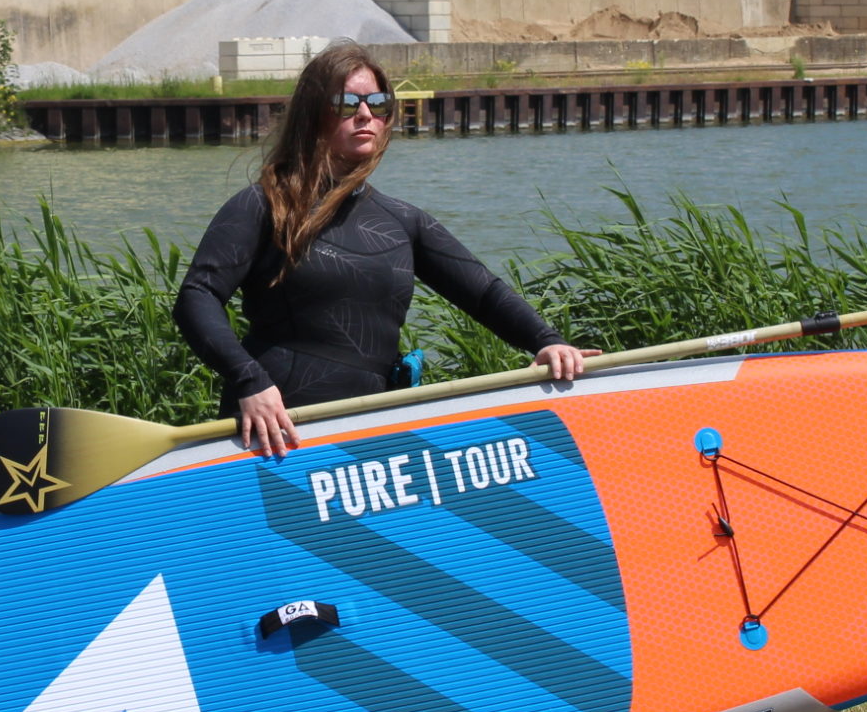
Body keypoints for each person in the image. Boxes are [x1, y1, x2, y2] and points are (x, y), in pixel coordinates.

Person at [173, 43, 592, 457]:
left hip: (373, 434)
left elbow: (482, 292)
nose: (364, 114)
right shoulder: (264, 206)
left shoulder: (401, 221)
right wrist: (249, 381)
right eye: (345, 103)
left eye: (377, 103)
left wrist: (546, 341)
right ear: (311, 114)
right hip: (276, 432)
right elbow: (198, 296)